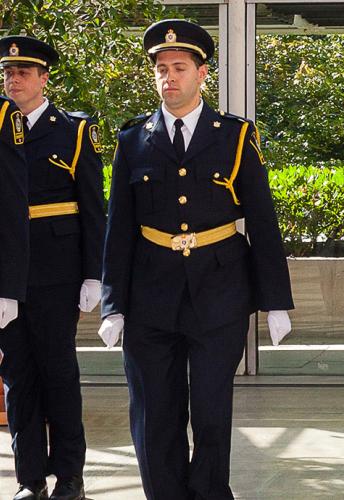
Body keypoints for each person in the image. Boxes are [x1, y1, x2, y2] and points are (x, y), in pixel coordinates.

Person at [97, 19, 294, 499]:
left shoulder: (234, 137)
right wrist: (112, 303)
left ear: (203, 72)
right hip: (150, 293)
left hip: (219, 291)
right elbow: (118, 229)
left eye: (179, 67)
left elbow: (262, 222)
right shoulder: (133, 141)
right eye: (161, 69)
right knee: (155, 410)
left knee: (210, 408)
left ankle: (208, 493)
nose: (169, 77)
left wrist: (276, 301)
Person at [0, 35, 104, 500]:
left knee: (59, 374)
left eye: (23, 72)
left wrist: (92, 273)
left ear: (45, 79)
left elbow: (92, 209)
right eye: (7, 72)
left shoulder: (73, 131)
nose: (13, 79)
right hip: (7, 274)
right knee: (19, 377)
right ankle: (30, 480)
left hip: (56, 271)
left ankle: (70, 478)